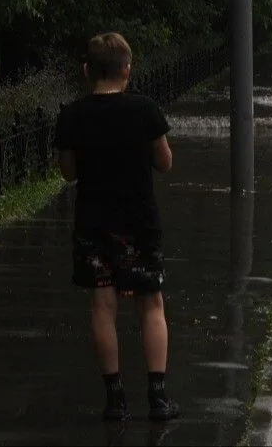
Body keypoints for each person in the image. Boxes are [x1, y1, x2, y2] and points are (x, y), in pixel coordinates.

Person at [53, 32, 181, 422]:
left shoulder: (72, 115)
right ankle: (158, 398)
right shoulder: (144, 110)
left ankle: (115, 398)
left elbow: (68, 172)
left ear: (87, 70)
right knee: (151, 304)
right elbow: (165, 162)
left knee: (102, 306)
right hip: (139, 222)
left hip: (94, 223)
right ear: (127, 69)